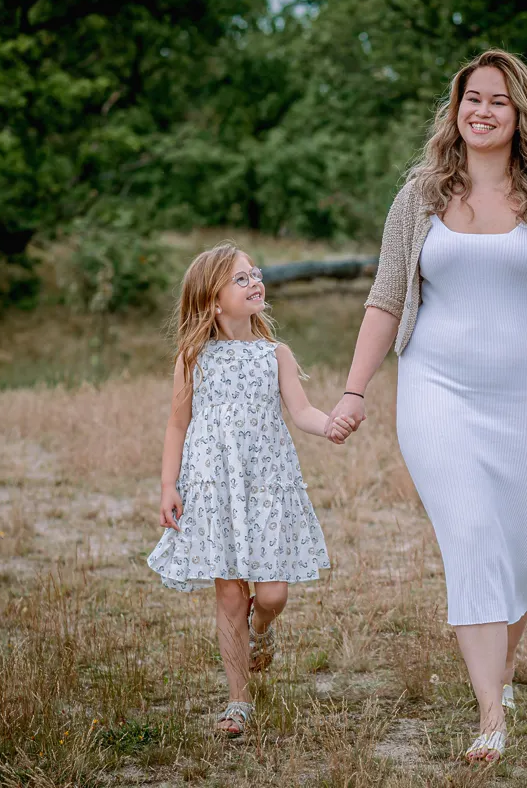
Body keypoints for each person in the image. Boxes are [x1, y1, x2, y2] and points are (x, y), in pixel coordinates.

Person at [326, 49, 527, 764]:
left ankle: (498, 668)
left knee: (522, 550)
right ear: (456, 107)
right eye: (472, 98)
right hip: (437, 392)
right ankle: (489, 712)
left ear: (519, 112)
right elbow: (385, 299)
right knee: (471, 535)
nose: (482, 110)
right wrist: (355, 388)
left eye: (498, 100)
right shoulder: (420, 195)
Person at [148, 242, 353, 737]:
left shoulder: (274, 354)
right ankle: (237, 701)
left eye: (254, 274)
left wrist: (330, 425)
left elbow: (301, 411)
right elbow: (178, 426)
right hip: (214, 487)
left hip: (265, 486)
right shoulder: (192, 358)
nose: (254, 282)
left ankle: (262, 633)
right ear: (212, 300)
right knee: (229, 596)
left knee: (272, 593)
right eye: (240, 278)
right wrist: (168, 486)